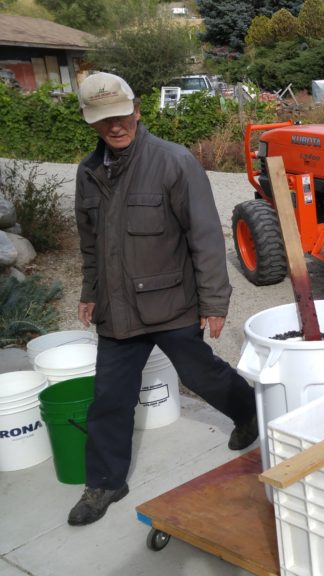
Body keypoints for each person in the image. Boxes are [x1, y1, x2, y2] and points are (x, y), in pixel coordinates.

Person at [69, 72, 258, 526]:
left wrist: (214, 302)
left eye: (120, 115)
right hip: (117, 311)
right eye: (103, 119)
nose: (115, 126)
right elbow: (90, 242)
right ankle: (106, 482)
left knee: (203, 373)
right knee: (109, 397)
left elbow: (206, 236)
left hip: (170, 303)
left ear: (136, 109)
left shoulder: (173, 162)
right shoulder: (88, 172)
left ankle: (249, 412)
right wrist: (89, 292)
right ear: (91, 122)